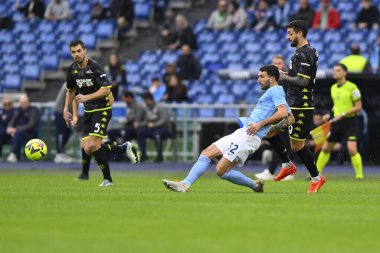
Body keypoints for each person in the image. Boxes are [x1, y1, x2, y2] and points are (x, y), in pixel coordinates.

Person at [162, 65, 291, 193]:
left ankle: (255, 186)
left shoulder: (276, 91)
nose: (258, 80)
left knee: (221, 170)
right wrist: (270, 128)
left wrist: (261, 125)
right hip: (243, 131)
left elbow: (283, 114)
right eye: (258, 76)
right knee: (207, 153)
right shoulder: (275, 93)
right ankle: (185, 184)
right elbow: (291, 118)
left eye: (262, 76)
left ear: (272, 78)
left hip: (250, 136)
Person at [64, 40, 140, 186]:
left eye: (79, 51)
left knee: (92, 145)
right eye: (73, 52)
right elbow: (72, 92)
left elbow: (106, 90)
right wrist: (70, 113)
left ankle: (107, 179)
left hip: (102, 109)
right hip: (88, 111)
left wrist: (87, 97)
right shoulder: (72, 70)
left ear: (85, 50)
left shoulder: (95, 67)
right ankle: (123, 148)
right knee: (86, 146)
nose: (77, 54)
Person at [264, 20, 326, 193]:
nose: (288, 37)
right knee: (269, 132)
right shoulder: (299, 53)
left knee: (297, 146)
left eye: (290, 33)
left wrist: (283, 77)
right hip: (292, 104)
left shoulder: (306, 53)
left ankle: (316, 178)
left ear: (299, 33)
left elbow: (304, 80)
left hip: (301, 105)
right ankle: (287, 165)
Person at [316, 63, 363, 179]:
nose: (335, 72)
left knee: (352, 149)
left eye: (338, 70)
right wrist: (329, 114)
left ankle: (359, 176)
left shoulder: (352, 87)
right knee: (326, 148)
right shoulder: (333, 88)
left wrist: (343, 114)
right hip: (337, 122)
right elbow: (336, 106)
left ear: (344, 73)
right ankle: (315, 174)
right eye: (334, 70)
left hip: (351, 121)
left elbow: (358, 107)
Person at [255, 54, 295, 181]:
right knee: (279, 141)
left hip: (289, 113)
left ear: (283, 65)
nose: (276, 65)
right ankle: (287, 170)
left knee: (289, 144)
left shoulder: (288, 78)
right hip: (283, 114)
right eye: (274, 64)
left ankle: (275, 170)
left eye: (279, 63)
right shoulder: (272, 82)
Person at [138, 92, 171, 162]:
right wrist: (139, 124)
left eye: (145, 101)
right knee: (141, 132)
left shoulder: (160, 107)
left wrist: (154, 124)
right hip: (152, 129)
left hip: (164, 129)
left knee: (157, 134)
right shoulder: (147, 108)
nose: (144, 103)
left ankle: (159, 155)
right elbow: (146, 121)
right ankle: (143, 154)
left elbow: (165, 120)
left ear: (149, 99)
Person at [6, 95, 39, 162]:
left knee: (18, 133)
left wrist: (17, 129)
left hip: (30, 133)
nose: (23, 104)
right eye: (21, 103)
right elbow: (13, 121)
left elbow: (31, 125)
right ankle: (14, 155)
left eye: (24, 102)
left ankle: (14, 154)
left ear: (28, 102)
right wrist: (9, 128)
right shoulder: (18, 110)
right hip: (17, 132)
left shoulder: (33, 110)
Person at [54, 83, 76, 163]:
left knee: (68, 131)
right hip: (60, 110)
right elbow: (68, 99)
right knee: (61, 132)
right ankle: (59, 154)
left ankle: (62, 152)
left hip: (65, 110)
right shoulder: (69, 84)